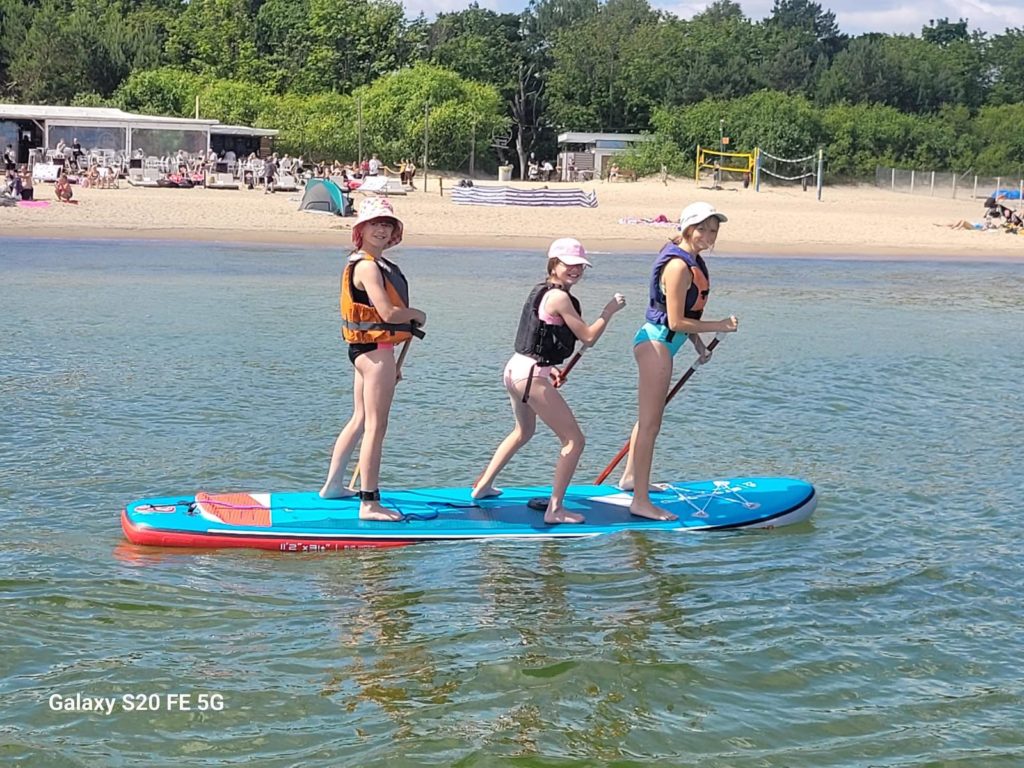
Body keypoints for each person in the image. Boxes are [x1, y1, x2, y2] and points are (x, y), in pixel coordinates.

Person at [472, 238, 626, 524]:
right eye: (569, 264)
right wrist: (608, 312)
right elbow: (588, 337)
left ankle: (482, 487)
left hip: (518, 368)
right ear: (554, 264)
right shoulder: (559, 297)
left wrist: (550, 366)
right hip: (528, 376)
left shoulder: (544, 291)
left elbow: (540, 337)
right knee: (574, 441)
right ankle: (555, 510)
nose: (576, 270)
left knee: (523, 431)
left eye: (580, 266)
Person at [617, 202, 739, 520]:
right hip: (656, 344)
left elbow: (688, 315)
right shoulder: (678, 267)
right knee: (650, 425)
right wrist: (720, 325)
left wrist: (699, 344)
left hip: (665, 346)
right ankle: (640, 501)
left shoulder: (692, 261)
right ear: (687, 228)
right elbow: (674, 322)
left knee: (647, 419)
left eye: (713, 230)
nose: (708, 236)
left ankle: (630, 479)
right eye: (702, 229)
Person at [319, 198, 428, 522]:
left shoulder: (371, 263)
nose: (381, 229)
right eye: (375, 224)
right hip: (375, 354)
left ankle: (333, 486)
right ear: (361, 229)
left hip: (368, 352)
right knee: (376, 427)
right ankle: (369, 502)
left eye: (387, 224)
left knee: (360, 419)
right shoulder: (366, 266)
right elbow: (388, 313)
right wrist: (418, 314)